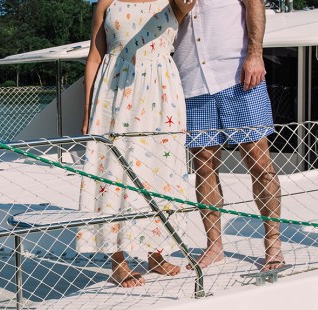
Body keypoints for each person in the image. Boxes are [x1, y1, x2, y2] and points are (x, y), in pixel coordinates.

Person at [77, 0, 196, 287]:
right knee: (114, 172)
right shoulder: (107, 2)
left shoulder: (172, 2)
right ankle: (118, 261)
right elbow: (94, 57)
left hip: (160, 91)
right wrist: (88, 110)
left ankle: (157, 253)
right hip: (113, 95)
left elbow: (186, 5)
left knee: (160, 170)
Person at [173, 0, 285, 271]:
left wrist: (255, 53)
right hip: (191, 81)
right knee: (204, 166)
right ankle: (214, 246)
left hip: (239, 76)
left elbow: (253, 4)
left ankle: (273, 244)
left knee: (259, 162)